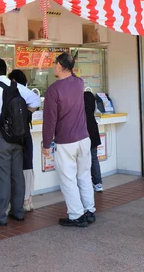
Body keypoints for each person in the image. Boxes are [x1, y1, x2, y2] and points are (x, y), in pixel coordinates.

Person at [0, 58, 41, 226]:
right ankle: (18, 211)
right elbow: (35, 101)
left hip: (1, 138)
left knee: (1, 176)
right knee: (17, 175)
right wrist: (21, 119)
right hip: (18, 138)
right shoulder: (16, 87)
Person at [42, 53, 96, 228]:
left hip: (66, 141)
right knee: (84, 176)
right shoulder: (79, 83)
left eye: (54, 64)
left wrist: (45, 144)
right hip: (84, 138)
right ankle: (89, 210)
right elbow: (73, 77)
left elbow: (50, 120)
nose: (53, 67)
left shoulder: (53, 90)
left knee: (68, 179)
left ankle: (76, 215)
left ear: (59, 65)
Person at [9, 69, 36, 212]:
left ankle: (23, 200)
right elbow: (36, 101)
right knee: (28, 166)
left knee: (18, 168)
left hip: (16, 136)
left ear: (13, 81)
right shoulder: (25, 93)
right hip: (26, 134)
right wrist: (26, 113)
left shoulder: (15, 91)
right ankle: (29, 200)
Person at [84, 90, 103, 192]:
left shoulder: (80, 110)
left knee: (83, 160)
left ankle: (85, 184)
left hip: (84, 135)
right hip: (94, 132)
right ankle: (98, 183)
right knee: (94, 158)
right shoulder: (92, 107)